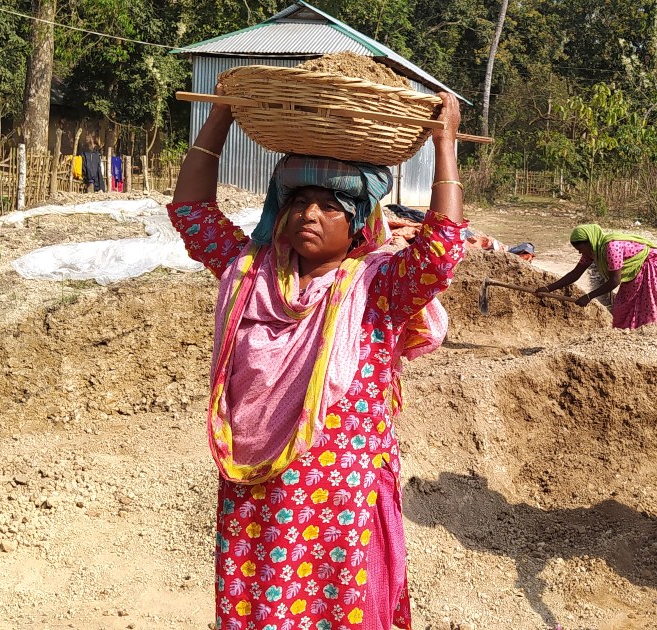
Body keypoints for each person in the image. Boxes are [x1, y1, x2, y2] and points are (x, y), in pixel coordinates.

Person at [167, 89, 466, 629]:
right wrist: (220, 116)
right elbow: (192, 214)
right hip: (258, 493)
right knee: (262, 606)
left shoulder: (376, 290)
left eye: (331, 205)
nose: (310, 213)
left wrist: (444, 143)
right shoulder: (251, 276)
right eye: (300, 200)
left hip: (338, 506)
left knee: (340, 610)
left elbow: (440, 252)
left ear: (357, 223)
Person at [536, 224, 657, 328]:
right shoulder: (592, 251)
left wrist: (589, 297)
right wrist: (548, 289)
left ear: (589, 241)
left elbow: (614, 281)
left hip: (653, 265)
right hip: (636, 270)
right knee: (624, 305)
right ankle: (629, 338)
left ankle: (651, 336)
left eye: (580, 248)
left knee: (650, 305)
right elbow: (575, 274)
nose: (579, 252)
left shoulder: (611, 247)